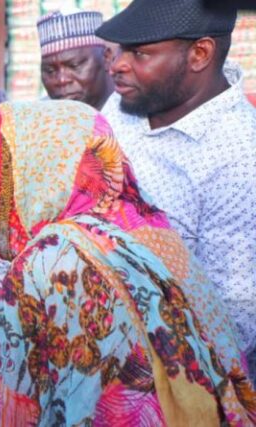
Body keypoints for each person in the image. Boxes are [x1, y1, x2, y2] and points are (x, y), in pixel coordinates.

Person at [0, 100, 256, 425]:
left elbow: (12, 416)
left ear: (39, 171)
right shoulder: (151, 225)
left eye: (10, 167)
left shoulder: (46, 262)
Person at [96, 0, 256, 379]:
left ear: (200, 53)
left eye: (140, 53)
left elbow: (234, 317)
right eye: (120, 50)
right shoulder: (126, 104)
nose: (118, 64)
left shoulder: (239, 158)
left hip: (177, 374)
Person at [36, 8, 114, 110]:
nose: (61, 80)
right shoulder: (40, 118)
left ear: (106, 58)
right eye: (50, 71)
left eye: (74, 65)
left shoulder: (134, 116)